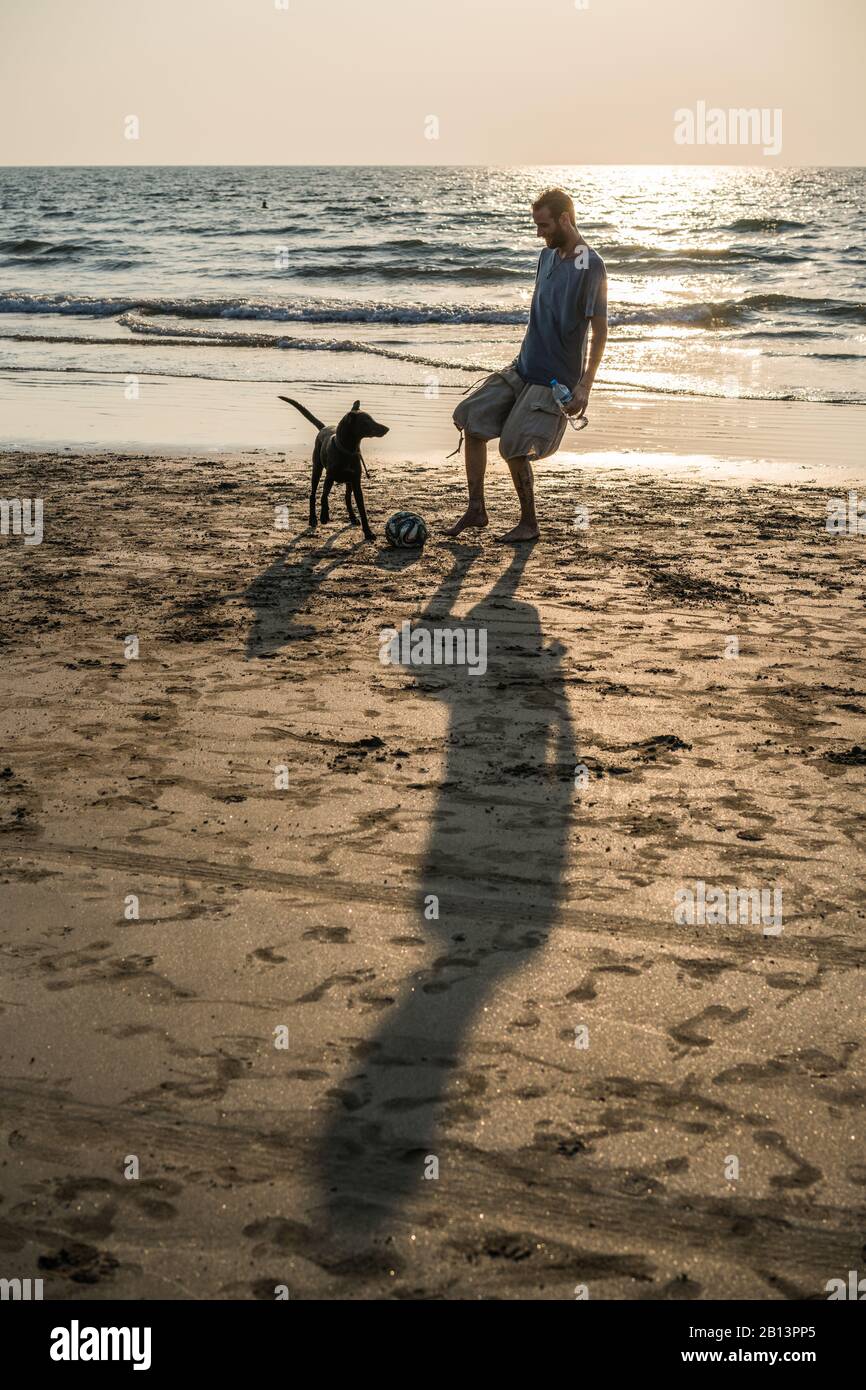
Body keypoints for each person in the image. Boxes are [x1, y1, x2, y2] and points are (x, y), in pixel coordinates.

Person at [445, 187, 608, 543]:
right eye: (537, 225)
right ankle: (477, 510)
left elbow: (600, 330)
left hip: (553, 381)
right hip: (522, 368)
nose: (540, 233)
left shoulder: (590, 265)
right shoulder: (546, 257)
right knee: (470, 418)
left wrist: (585, 385)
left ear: (565, 219)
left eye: (545, 225)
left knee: (514, 447)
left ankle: (529, 523)